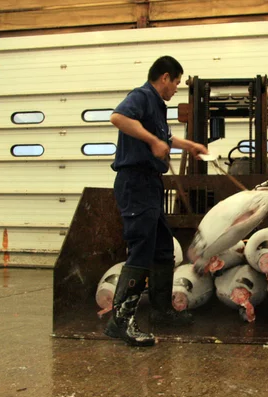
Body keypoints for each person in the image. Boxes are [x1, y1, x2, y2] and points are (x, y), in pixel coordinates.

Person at [105, 55, 208, 347]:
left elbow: (165, 137)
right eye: (175, 82)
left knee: (163, 248)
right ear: (164, 77)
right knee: (140, 249)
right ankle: (121, 322)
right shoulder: (141, 96)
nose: (176, 88)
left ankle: (161, 312)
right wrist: (152, 142)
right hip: (135, 181)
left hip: (150, 184)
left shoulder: (157, 106)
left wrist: (189, 146)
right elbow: (118, 117)